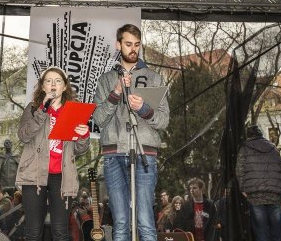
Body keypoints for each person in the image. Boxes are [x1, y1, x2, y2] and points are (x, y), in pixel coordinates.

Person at [93, 24, 170, 241]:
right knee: (120, 223)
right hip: (113, 154)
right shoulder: (106, 79)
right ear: (118, 45)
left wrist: (144, 109)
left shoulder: (154, 77)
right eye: (128, 44)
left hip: (144, 153)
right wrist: (115, 93)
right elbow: (98, 119)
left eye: (137, 44)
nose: (133, 49)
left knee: (146, 221)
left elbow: (164, 121)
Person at [15, 66, 90, 241]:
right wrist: (43, 110)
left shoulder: (73, 110)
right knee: (33, 231)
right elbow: (23, 136)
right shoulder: (33, 108)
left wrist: (83, 135)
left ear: (65, 87)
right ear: (43, 87)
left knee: (60, 231)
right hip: (34, 174)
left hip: (62, 176)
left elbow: (80, 150)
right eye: (48, 81)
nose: (53, 84)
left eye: (57, 81)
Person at [236, 124, 281, 241]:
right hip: (274, 195)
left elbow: (239, 170)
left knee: (261, 233)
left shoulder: (245, 148)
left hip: (255, 196)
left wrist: (243, 188)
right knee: (278, 233)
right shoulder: (273, 148)